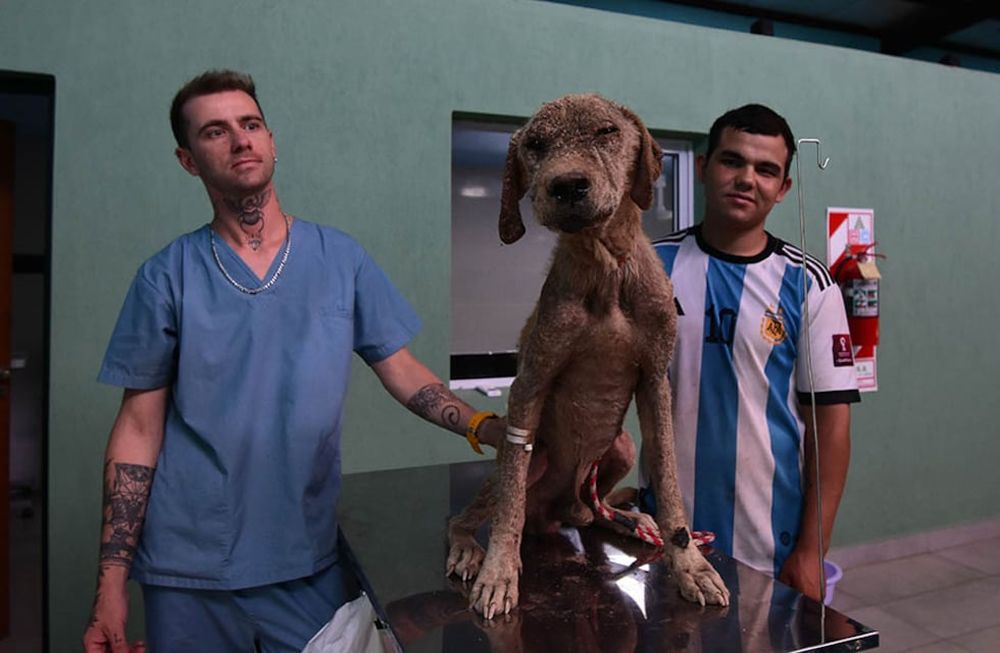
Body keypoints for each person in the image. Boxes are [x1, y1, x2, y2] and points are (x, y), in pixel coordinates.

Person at [82, 69, 503, 653]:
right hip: (189, 568)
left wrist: (485, 426)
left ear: (271, 140)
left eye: (251, 124)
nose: (240, 139)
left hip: (307, 556)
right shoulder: (165, 277)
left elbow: (403, 370)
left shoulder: (341, 259)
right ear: (188, 160)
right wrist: (110, 585)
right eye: (215, 131)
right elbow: (137, 428)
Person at [639, 104, 859, 601]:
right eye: (732, 161)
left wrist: (812, 550)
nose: (746, 179)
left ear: (783, 188)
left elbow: (831, 427)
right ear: (703, 167)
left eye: (766, 170)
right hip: (664, 538)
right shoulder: (650, 269)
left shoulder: (808, 284)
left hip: (769, 546)